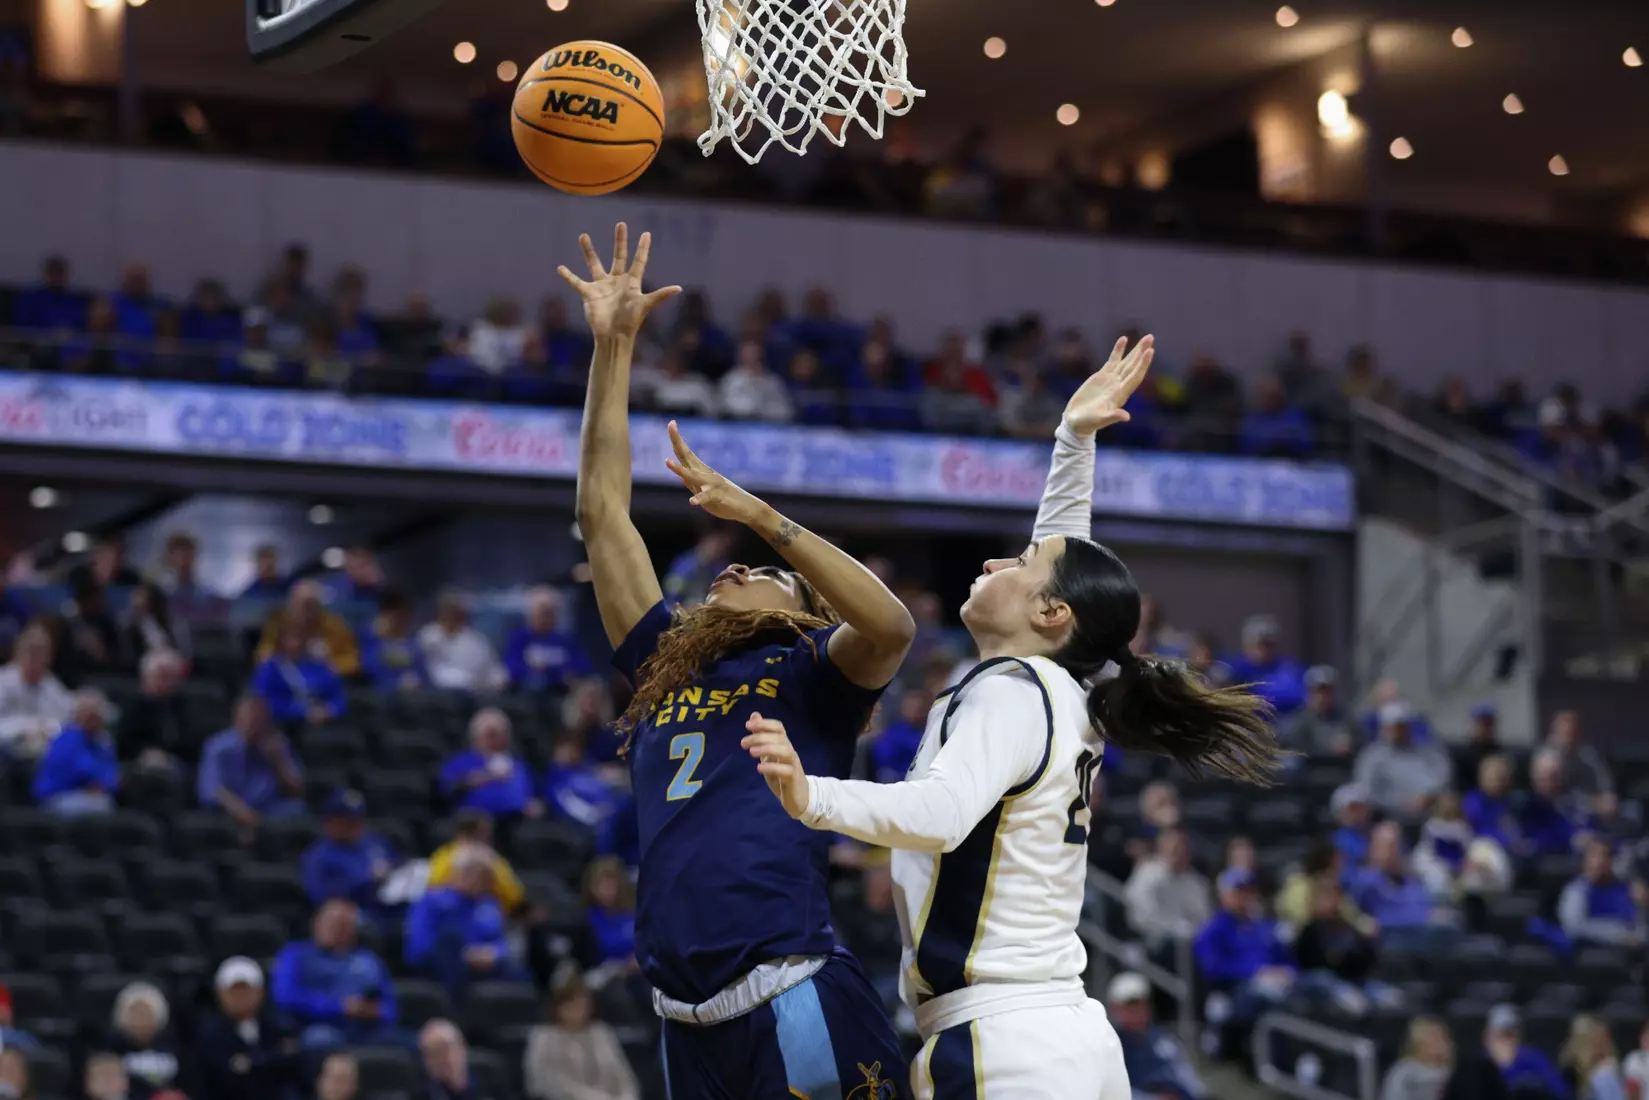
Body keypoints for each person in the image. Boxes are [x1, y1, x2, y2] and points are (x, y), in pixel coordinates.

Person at [744, 336, 1288, 1099]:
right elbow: (1067, 561)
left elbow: (938, 815)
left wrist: (812, 796)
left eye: (1020, 564)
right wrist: (1073, 441)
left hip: (1003, 1044)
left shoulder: (1012, 688)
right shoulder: (1067, 684)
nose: (999, 562)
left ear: (1049, 611)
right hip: (1066, 1033)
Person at [563, 224, 913, 1099]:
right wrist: (614, 349)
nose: (739, 567)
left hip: (791, 993)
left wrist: (764, 519)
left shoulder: (811, 679)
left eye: (766, 577)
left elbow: (892, 626)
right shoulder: (662, 662)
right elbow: (604, 515)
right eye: (742, 559)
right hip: (684, 1019)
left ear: (801, 616)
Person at [270, 900, 402, 1050]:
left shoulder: (369, 960)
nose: (336, 930)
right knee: (322, 1040)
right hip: (318, 1026)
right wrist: (339, 1007)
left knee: (408, 1043)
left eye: (343, 925)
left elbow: (390, 1007)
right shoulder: (295, 955)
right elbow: (286, 996)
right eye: (332, 923)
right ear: (316, 923)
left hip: (368, 1029)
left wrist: (375, 1010)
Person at [404, 847, 528, 1000]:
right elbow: (418, 945)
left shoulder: (490, 904)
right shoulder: (431, 901)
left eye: (486, 875)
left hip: (484, 967)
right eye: (476, 873)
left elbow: (502, 942)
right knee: (450, 940)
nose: (482, 880)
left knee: (521, 972)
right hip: (440, 966)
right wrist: (463, 954)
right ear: (457, 873)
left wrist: (493, 954)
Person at [195, 957, 305, 1100]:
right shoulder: (210, 1033)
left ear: (260, 993)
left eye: (246, 990)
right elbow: (224, 1077)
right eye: (234, 991)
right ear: (220, 995)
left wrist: (251, 1063)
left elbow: (292, 1062)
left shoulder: (278, 1026)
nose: (240, 997)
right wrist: (270, 1060)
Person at [523, 968, 640, 1100]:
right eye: (571, 1004)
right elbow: (548, 1084)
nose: (579, 1009)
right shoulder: (543, 1037)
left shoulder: (602, 1033)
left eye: (583, 1003)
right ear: (557, 1006)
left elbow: (623, 1077)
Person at [197, 696, 306, 830]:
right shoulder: (218, 747)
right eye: (248, 720)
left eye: (258, 720)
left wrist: (278, 762)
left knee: (296, 811)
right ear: (237, 719)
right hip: (229, 813)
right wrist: (245, 815)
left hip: (268, 812)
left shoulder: (278, 746)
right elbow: (212, 790)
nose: (252, 726)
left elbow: (297, 791)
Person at [1107, 972, 1205, 1100]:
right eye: (1129, 1007)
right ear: (1115, 1009)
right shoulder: (1110, 1047)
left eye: (1139, 1005)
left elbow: (1188, 1079)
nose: (1136, 1012)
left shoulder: (1164, 1040)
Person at [300, 790, 401, 913]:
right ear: (330, 821)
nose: (354, 825)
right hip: (354, 917)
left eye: (357, 819)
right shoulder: (318, 857)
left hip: (390, 907)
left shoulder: (374, 842)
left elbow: (398, 865)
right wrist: (371, 881)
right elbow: (324, 901)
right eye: (347, 820)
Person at [1353, 701, 1452, 821]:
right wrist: (1402, 802)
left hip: (1430, 809)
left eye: (1402, 726)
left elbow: (1443, 775)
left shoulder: (1427, 751)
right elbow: (1366, 791)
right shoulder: (1371, 756)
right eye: (1393, 726)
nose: (1398, 731)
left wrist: (1428, 795)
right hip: (1388, 816)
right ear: (1383, 727)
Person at [439, 708, 541, 819]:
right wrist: (474, 780)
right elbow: (447, 790)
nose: (498, 739)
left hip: (516, 820)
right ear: (476, 737)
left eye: (503, 733)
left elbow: (530, 795)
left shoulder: (518, 764)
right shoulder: (459, 761)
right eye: (492, 734)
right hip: (476, 819)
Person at [32, 687, 120, 814]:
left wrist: (106, 784)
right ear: (77, 716)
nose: (94, 720)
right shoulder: (66, 738)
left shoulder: (102, 741)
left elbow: (111, 772)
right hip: (56, 797)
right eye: (89, 715)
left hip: (88, 795)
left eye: (97, 715)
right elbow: (82, 769)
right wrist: (97, 782)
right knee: (102, 805)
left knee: (106, 802)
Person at [1124, 827, 1213, 952]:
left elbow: (1204, 917)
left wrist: (1191, 931)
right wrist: (1175, 928)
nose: (1180, 852)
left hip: (1192, 942)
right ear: (1161, 848)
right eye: (1174, 849)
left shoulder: (1197, 882)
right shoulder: (1148, 874)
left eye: (1183, 848)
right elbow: (1141, 915)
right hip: (1154, 940)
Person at [426, 811, 528, 917]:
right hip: (450, 915)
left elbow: (515, 896)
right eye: (485, 833)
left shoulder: (491, 857)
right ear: (470, 832)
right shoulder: (444, 857)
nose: (489, 838)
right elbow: (433, 889)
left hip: (487, 914)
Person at [253, 581, 361, 679]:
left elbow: (353, 660)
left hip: (323, 682)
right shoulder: (280, 625)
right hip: (288, 681)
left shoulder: (333, 626)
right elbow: (263, 656)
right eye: (302, 605)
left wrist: (329, 668)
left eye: (311, 605)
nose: (306, 612)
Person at [250, 622, 347, 728]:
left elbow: (338, 697)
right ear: (282, 640)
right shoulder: (270, 669)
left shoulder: (320, 667)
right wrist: (303, 712)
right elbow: (265, 702)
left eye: (302, 637)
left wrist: (330, 710)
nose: (297, 643)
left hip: (324, 724)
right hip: (285, 726)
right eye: (293, 638)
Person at [0, 626, 74, 759]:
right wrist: (27, 728)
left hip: (47, 751)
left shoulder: (51, 685)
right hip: (11, 753)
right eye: (32, 652)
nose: (37, 659)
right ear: (18, 653)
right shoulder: (4, 681)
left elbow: (67, 718)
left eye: (42, 653)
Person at [105, 982, 186, 1100]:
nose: (140, 1020)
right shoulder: (111, 1050)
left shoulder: (175, 1048)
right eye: (134, 1014)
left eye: (146, 1014)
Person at [1559, 837, 1645, 949]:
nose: (1600, 861)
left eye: (1605, 856)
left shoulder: (1625, 890)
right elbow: (1573, 927)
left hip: (1629, 955)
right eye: (1594, 856)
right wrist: (1618, 936)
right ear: (1584, 861)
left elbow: (1638, 926)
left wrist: (1643, 906)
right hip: (1591, 956)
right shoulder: (1576, 890)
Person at [503, 587, 592, 693]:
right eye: (541, 611)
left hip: (563, 693)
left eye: (549, 612)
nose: (545, 617)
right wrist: (534, 671)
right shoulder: (519, 638)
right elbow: (512, 667)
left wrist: (555, 673)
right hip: (528, 692)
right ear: (531, 613)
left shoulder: (566, 639)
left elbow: (583, 666)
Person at [418, 591, 507, 693]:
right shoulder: (429, 637)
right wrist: (470, 681)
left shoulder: (476, 639)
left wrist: (499, 680)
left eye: (455, 612)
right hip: (445, 696)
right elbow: (435, 673)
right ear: (439, 614)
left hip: (481, 693)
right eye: (447, 611)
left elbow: (494, 668)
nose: (451, 616)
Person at [1484, 1004, 1569, 1100]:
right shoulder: (1479, 1066)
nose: (1507, 1040)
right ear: (1487, 1036)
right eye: (1502, 1034)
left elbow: (1561, 1092)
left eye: (1511, 1034)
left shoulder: (1535, 1059)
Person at [418, 1020, 497, 1100]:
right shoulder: (422, 1093)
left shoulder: (492, 1074)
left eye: (446, 1049)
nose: (443, 1059)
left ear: (462, 1047)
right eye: (435, 1053)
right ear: (426, 1061)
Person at [1380, 1016, 1454, 1100]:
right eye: (1433, 1036)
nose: (1441, 1041)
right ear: (1418, 1041)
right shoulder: (1403, 1072)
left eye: (1443, 1036)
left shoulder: (1450, 1072)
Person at [1564, 1016, 1629, 1100]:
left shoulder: (1608, 1071)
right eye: (1600, 1042)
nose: (1607, 1045)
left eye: (1608, 1039)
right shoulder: (1569, 1071)